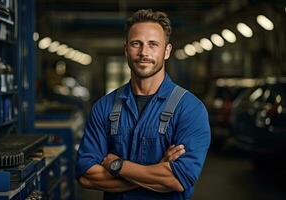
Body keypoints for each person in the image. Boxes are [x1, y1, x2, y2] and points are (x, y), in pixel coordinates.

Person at [76, 9, 211, 200]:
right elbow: (86, 176)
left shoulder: (190, 109)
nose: (144, 52)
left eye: (153, 44)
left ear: (167, 51)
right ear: (125, 49)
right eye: (136, 44)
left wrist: (119, 166)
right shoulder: (104, 107)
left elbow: (178, 179)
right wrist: (156, 173)